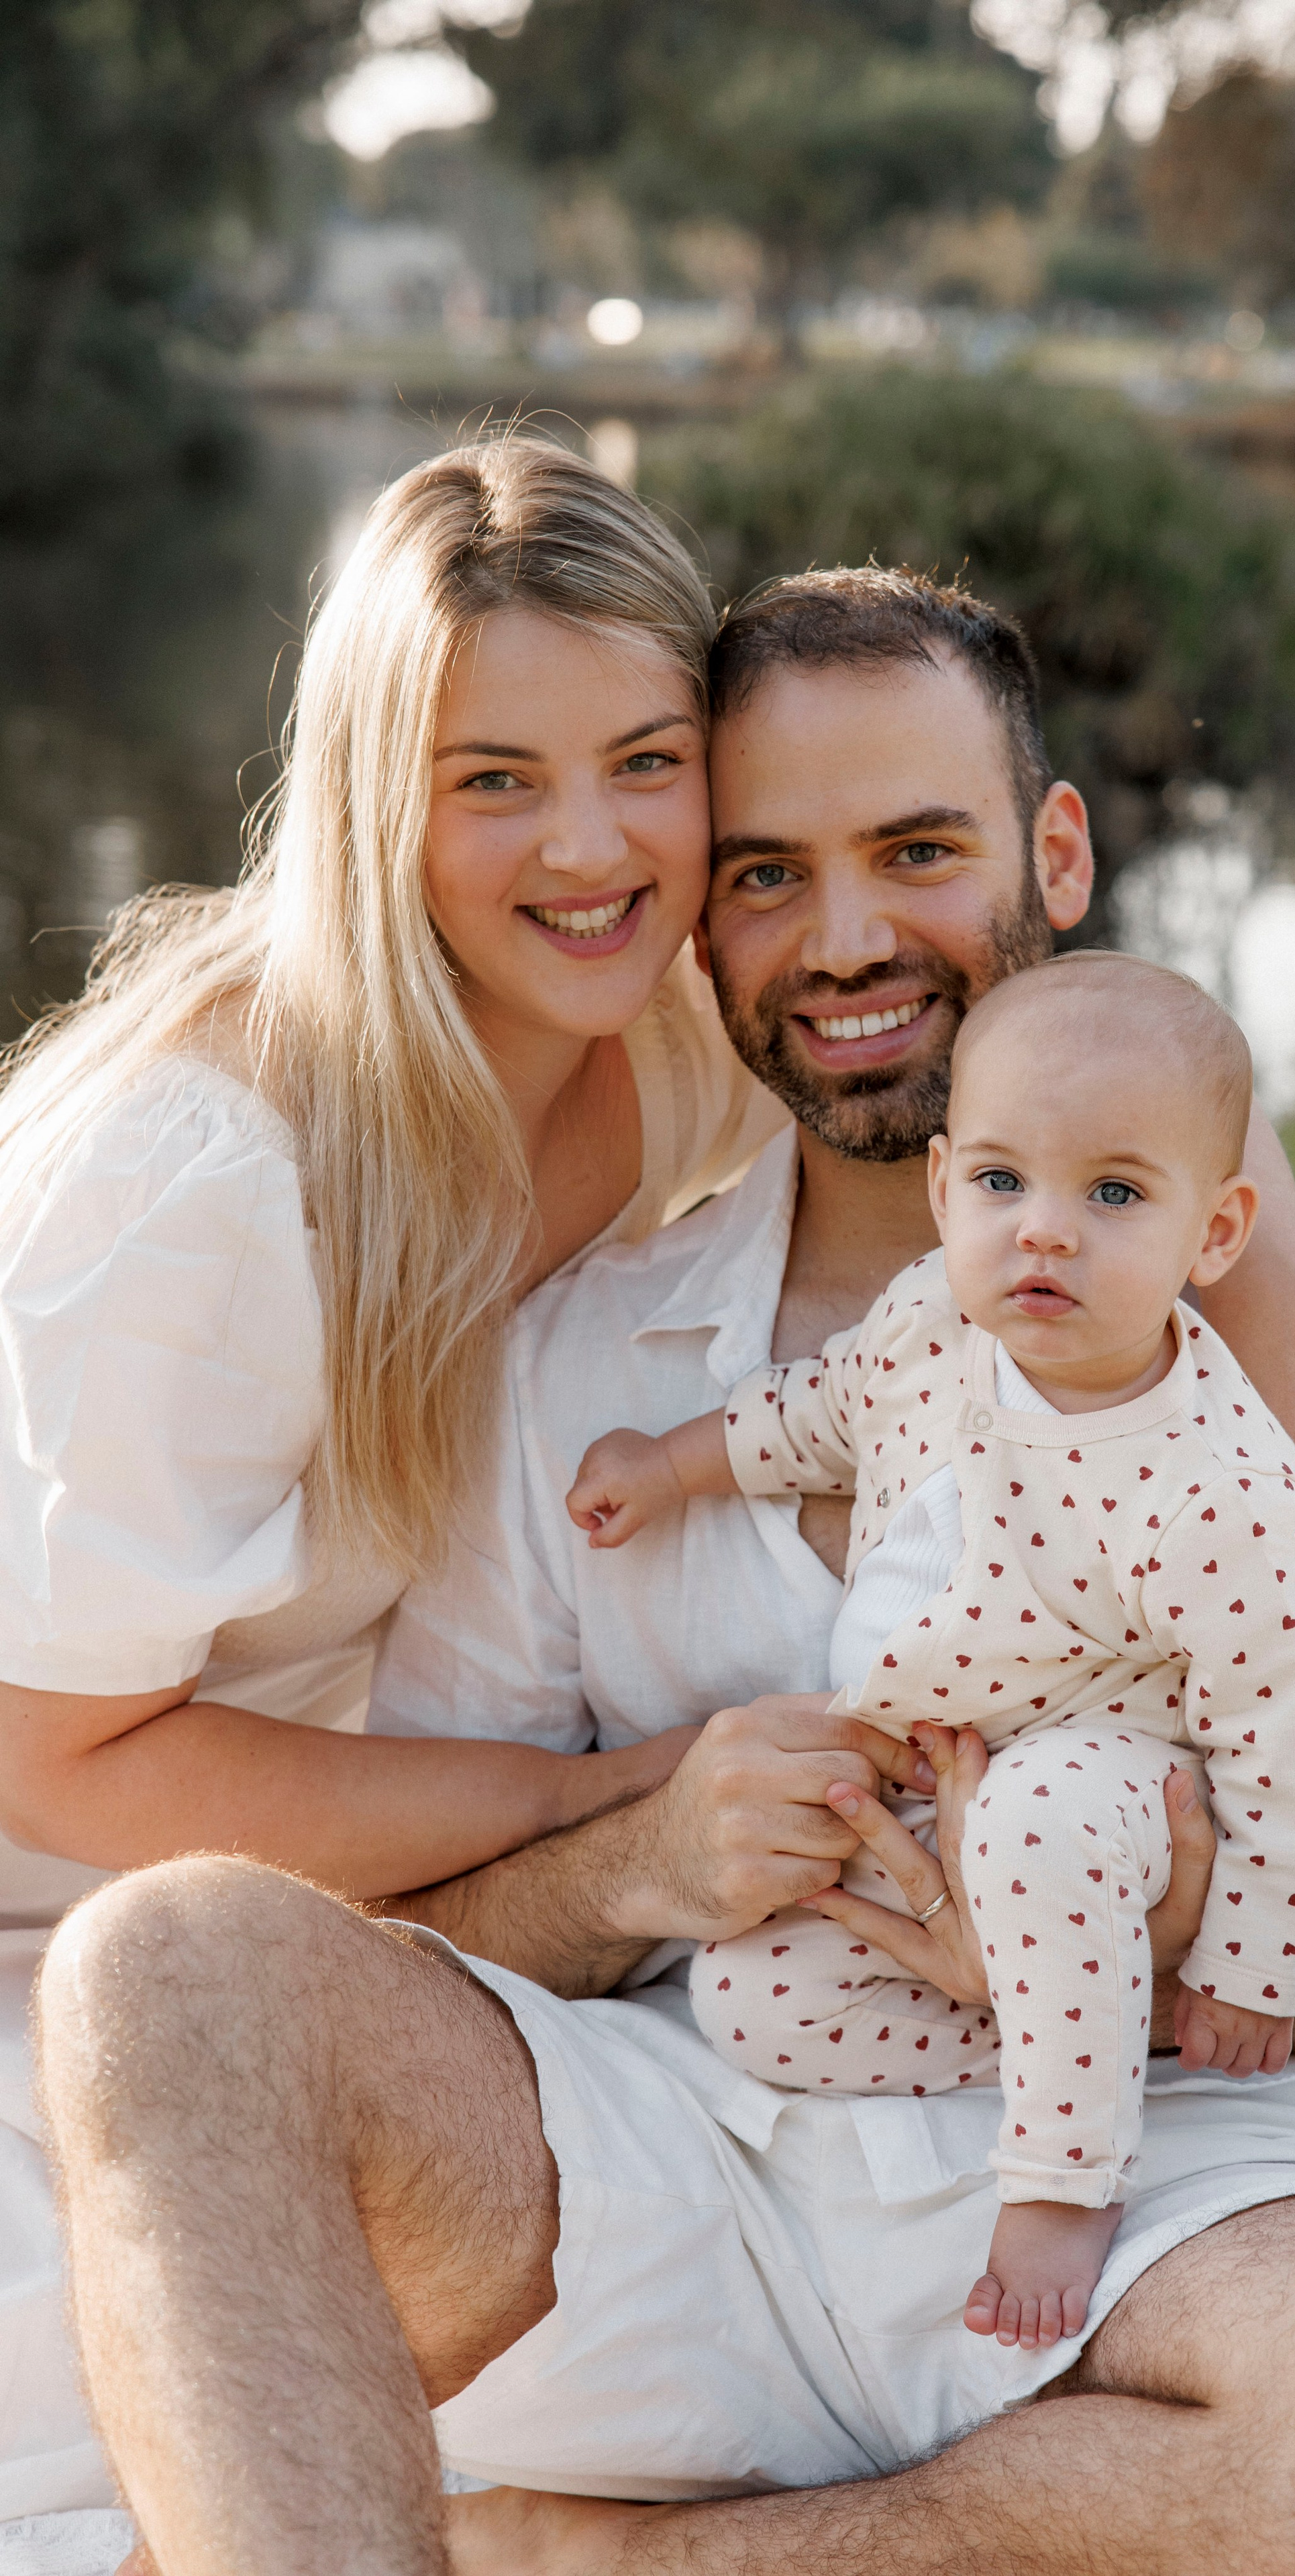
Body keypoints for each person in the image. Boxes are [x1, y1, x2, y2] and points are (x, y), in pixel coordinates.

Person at [38, 570, 1295, 2576]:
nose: (847, 941)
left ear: (1056, 853)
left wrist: (1167, 1952)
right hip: (677, 2141)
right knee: (165, 1970)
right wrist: (641, 1862)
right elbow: (433, 1929)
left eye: (920, 853)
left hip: (1141, 2170)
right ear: (696, 926)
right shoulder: (575, 1349)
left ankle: (595, 2556)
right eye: (767, 874)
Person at [0, 433, 798, 2517]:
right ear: (377, 799)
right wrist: (591, 1794)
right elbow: (66, 1762)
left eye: (648, 758)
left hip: (314, 1890)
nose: (593, 847)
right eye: (493, 781)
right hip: (57, 1920)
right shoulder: (205, 1177)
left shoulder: (666, 1031)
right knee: (159, 2455)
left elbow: (1032, 1032)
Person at [570, 951, 1295, 2350]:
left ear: (1213, 1232)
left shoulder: (1217, 1484)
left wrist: (1250, 1966)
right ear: (941, 1192)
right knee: (748, 1999)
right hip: (934, 1771)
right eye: (1000, 1183)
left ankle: (1063, 2178)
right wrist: (671, 1465)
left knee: (1040, 1820)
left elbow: (1274, 1740)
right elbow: (817, 1412)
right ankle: (1095, 2030)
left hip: (1104, 1765)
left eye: (1111, 1194)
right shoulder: (929, 1321)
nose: (1041, 1233)